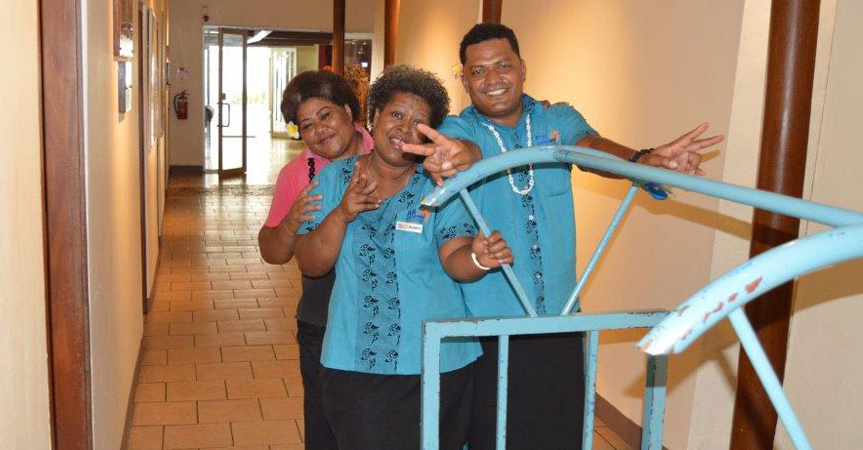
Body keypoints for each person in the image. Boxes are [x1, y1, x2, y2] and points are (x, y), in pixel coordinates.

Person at [402, 23, 724, 450]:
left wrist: (642, 161)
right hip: (489, 331)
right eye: (477, 72)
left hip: (561, 320)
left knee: (561, 434)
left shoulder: (558, 118)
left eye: (503, 66)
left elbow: (590, 147)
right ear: (464, 80)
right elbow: (466, 151)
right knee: (492, 437)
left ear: (522, 68)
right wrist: (457, 157)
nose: (492, 80)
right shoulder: (463, 128)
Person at [294, 65, 513, 450]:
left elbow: (454, 256)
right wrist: (343, 213)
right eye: (396, 114)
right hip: (354, 362)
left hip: (437, 363)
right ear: (374, 117)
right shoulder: (332, 180)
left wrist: (479, 259)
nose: (404, 128)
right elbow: (312, 263)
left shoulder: (442, 187)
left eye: (418, 122)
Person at [257, 70, 374, 450]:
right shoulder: (297, 174)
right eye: (306, 125)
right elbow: (273, 252)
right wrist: (291, 221)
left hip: (385, 316)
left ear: (347, 110)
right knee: (326, 424)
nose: (319, 130)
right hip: (323, 319)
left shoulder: (390, 153)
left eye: (325, 115)